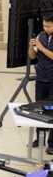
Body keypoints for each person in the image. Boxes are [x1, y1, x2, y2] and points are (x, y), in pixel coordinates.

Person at [30, 15, 53, 152]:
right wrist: (31, 47)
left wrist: (42, 48)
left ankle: (51, 143)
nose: (46, 28)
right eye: (44, 25)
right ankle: (39, 138)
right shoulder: (40, 36)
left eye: (48, 26)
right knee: (40, 109)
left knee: (52, 110)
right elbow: (32, 56)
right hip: (41, 78)